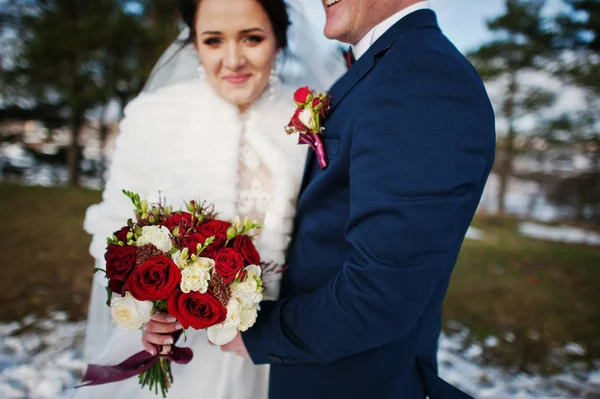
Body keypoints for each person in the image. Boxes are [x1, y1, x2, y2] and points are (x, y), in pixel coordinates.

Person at [219, 0, 496, 398]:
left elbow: (380, 294)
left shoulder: (424, 78)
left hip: (358, 381)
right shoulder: (385, 67)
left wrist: (262, 333)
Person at [76, 0, 345, 398]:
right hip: (181, 352)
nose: (233, 59)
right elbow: (112, 225)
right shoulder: (154, 115)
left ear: (278, 40)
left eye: (252, 38)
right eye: (213, 40)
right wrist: (146, 306)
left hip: (282, 346)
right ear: (194, 45)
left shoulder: (312, 115)